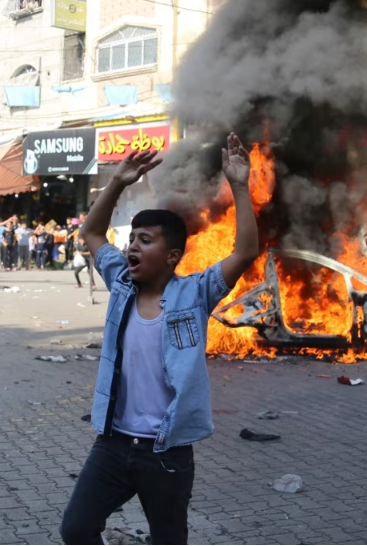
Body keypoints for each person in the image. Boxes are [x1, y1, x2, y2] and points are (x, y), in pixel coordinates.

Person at [59, 135, 258, 546]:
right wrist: (117, 182)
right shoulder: (120, 283)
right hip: (112, 445)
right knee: (76, 529)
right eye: (133, 239)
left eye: (145, 241)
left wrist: (239, 185)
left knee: (169, 540)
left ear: (172, 256)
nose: (132, 246)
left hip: (166, 453)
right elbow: (93, 234)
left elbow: (244, 252)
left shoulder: (195, 294)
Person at [72, 223, 95, 291]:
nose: (81, 242)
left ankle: (93, 285)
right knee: (76, 272)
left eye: (82, 240)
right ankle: (79, 284)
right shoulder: (78, 244)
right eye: (80, 240)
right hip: (82, 261)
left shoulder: (88, 244)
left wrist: (83, 253)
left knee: (89, 272)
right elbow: (77, 250)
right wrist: (77, 253)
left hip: (88, 259)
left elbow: (91, 252)